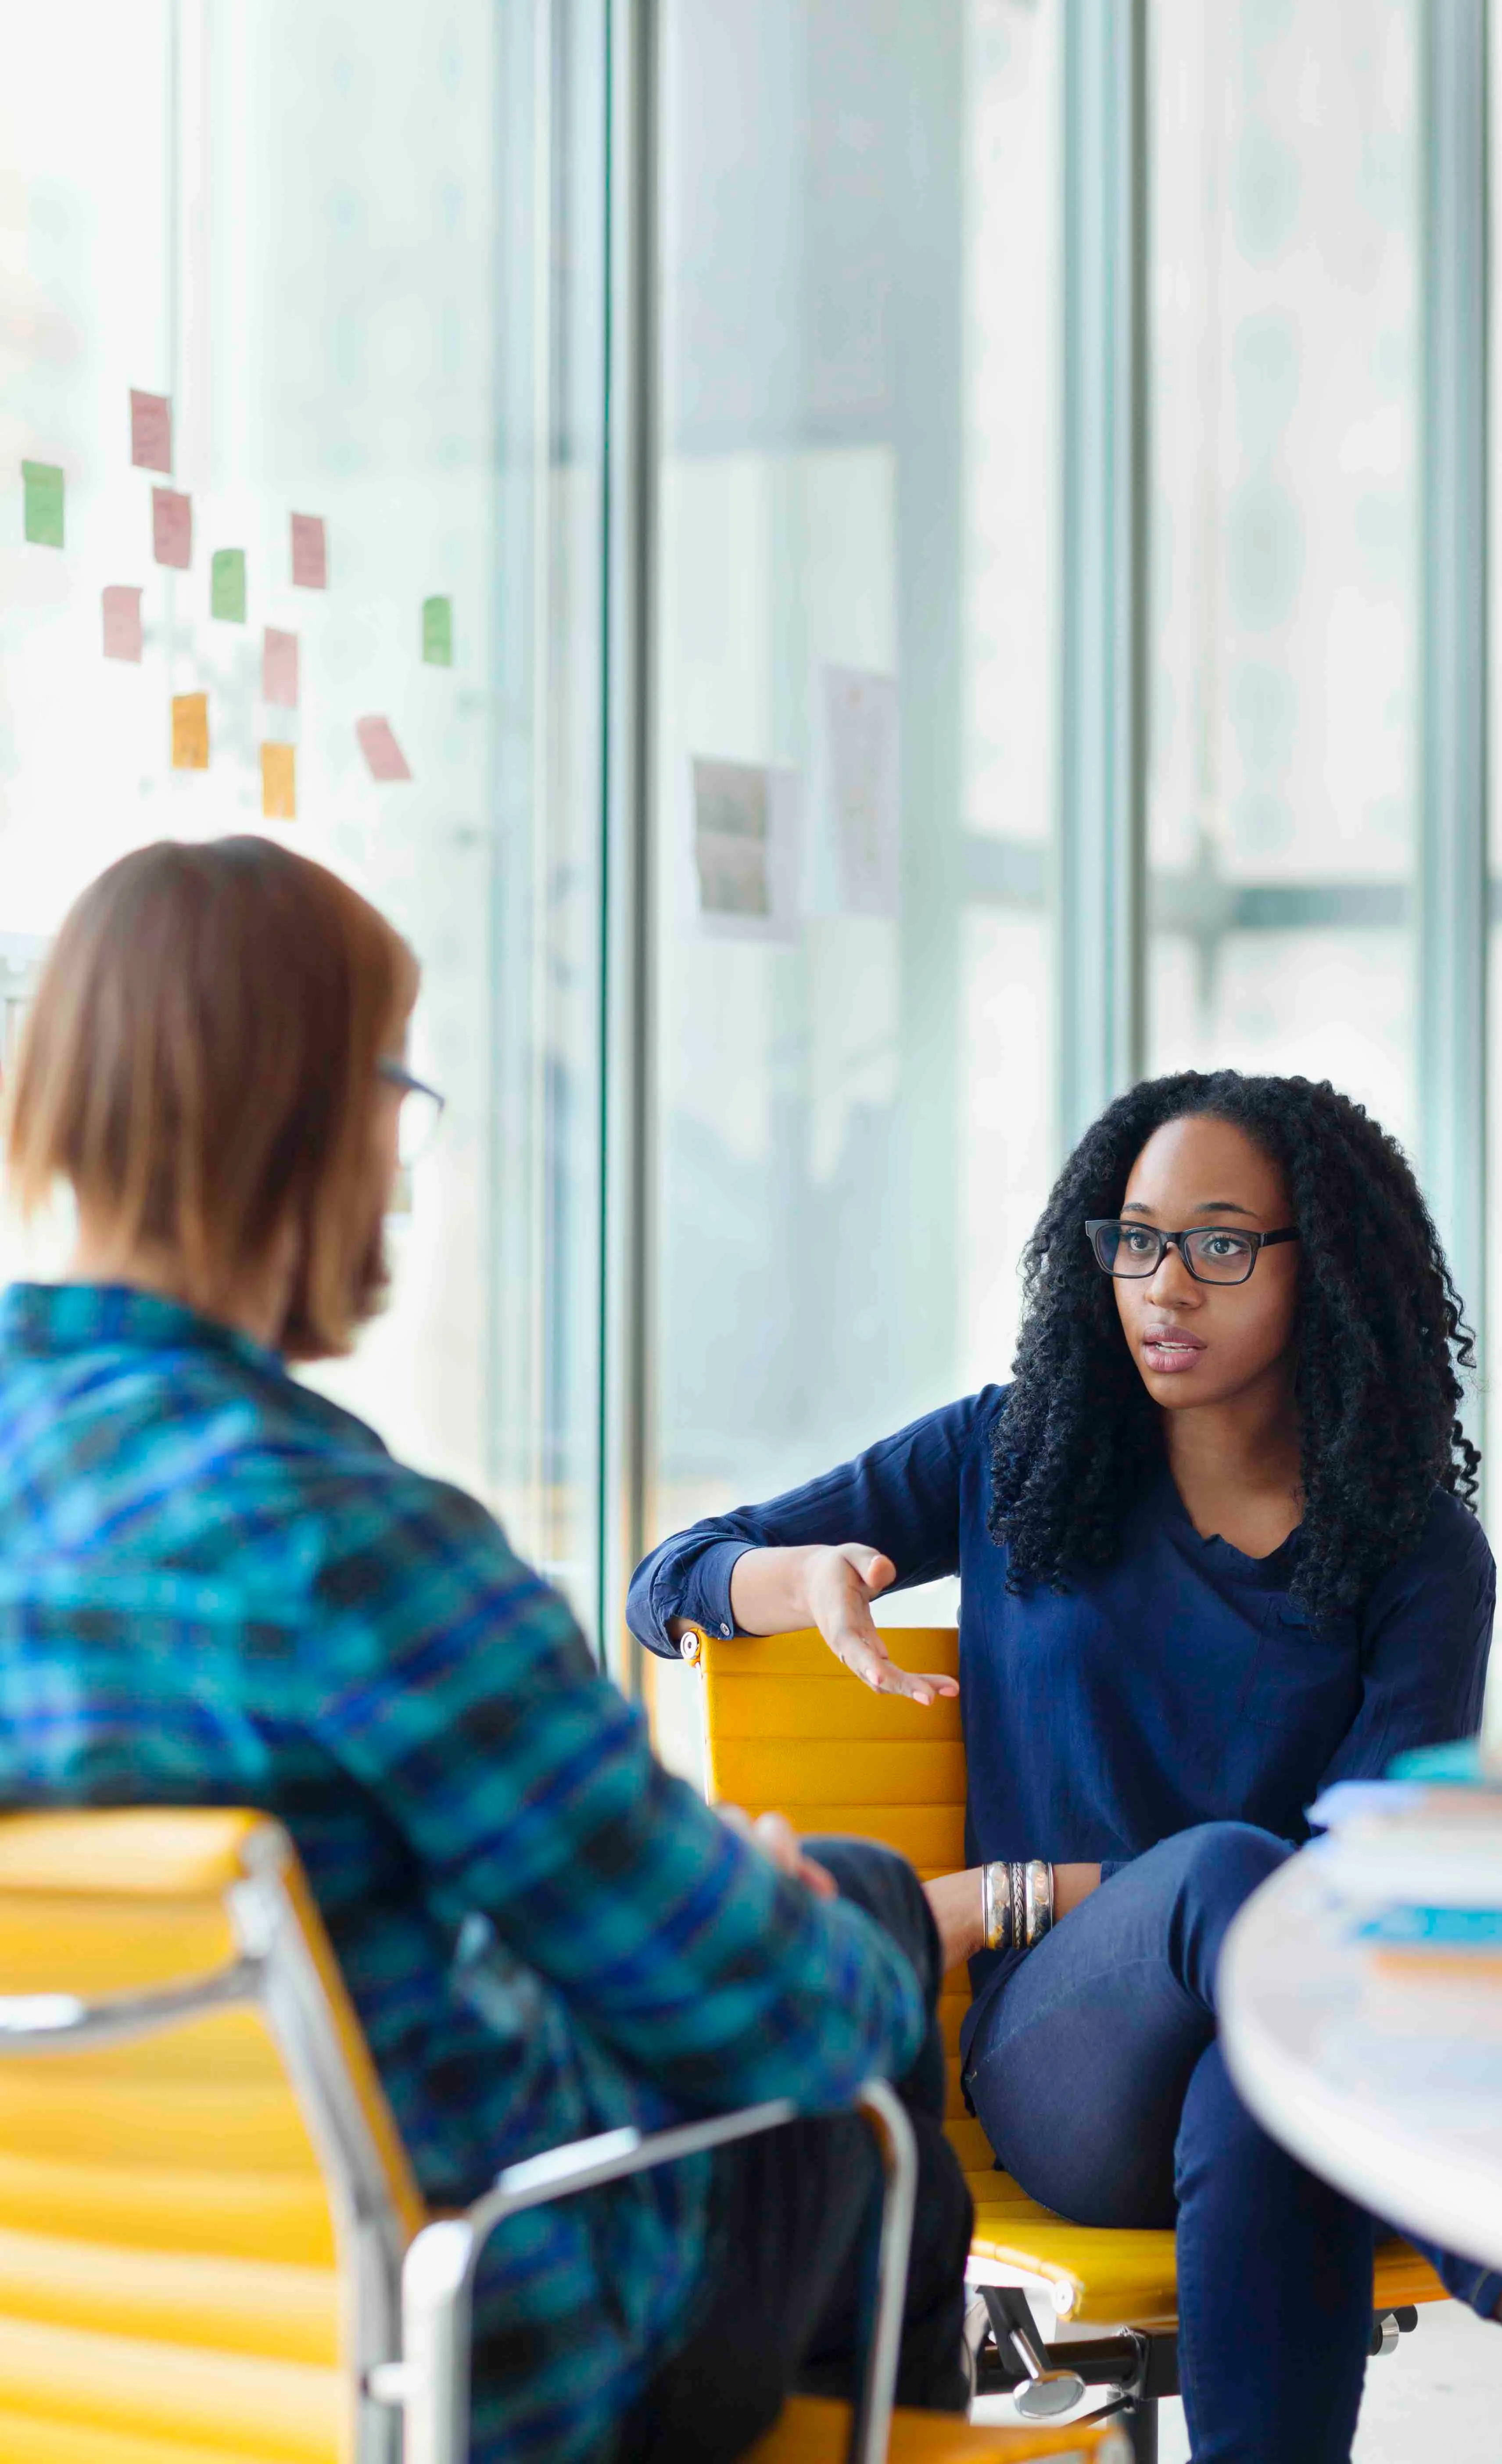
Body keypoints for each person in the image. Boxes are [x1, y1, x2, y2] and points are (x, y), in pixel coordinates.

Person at [0, 836, 971, 2464]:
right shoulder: (350, 1545)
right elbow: (785, 2027)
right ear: (313, 1121)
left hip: (81, 2361)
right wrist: (790, 1917)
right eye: (393, 1089)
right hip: (462, 2364)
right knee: (863, 1940)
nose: (401, 1152)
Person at [630, 1070, 1502, 2464]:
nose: (1165, 1287)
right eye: (1136, 1238)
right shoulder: (1012, 1455)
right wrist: (798, 1574)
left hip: (1296, 2063)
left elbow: (1364, 1891)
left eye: (1220, 1246)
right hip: (1067, 2070)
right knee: (1240, 1879)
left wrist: (1018, 1884)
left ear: (1325, 1272)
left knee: (1262, 2055)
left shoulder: (1419, 1553)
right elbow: (670, 1579)